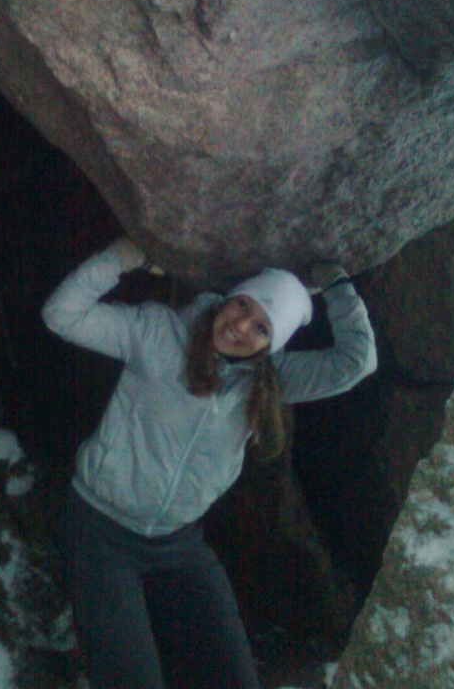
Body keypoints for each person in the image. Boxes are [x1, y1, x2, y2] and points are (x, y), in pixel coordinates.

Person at [42, 236, 377, 689]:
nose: (241, 326)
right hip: (101, 531)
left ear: (272, 343)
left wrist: (336, 286)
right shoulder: (157, 334)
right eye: (242, 306)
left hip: (179, 544)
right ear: (227, 299)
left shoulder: (271, 381)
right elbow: (62, 314)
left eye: (262, 328)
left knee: (233, 679)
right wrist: (118, 259)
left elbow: (357, 362)